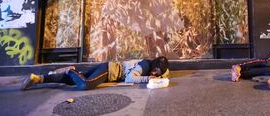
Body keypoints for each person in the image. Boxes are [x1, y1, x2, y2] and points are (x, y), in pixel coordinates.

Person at [21, 56, 169, 91]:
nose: (155, 74)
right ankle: (71, 70)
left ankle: (38, 78)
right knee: (85, 84)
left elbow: (165, 72)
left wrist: (162, 76)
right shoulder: (145, 65)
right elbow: (130, 77)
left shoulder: (153, 67)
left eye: (158, 73)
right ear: (153, 66)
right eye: (156, 71)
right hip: (109, 70)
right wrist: (147, 79)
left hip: (107, 67)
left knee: (73, 81)